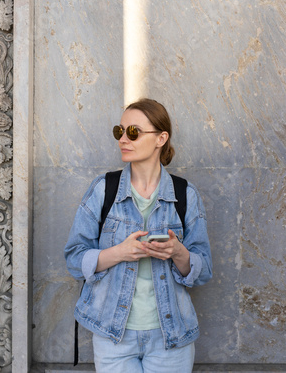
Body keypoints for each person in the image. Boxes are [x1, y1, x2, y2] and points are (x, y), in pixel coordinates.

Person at [64, 98, 212, 372]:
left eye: (133, 132)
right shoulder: (102, 190)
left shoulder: (185, 195)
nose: (123, 139)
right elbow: (74, 259)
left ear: (161, 138)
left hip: (171, 337)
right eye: (119, 131)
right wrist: (117, 253)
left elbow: (203, 271)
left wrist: (178, 253)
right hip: (112, 336)